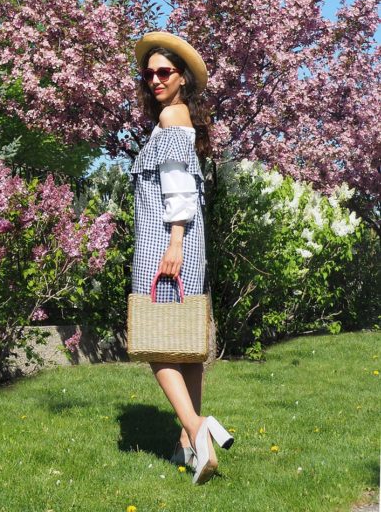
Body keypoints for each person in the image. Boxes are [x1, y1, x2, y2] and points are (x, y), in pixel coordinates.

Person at [130, 30, 234, 485]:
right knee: (186, 346)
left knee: (155, 342)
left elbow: (179, 188)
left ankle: (198, 428)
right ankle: (188, 444)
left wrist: (172, 244)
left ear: (181, 78)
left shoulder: (173, 116)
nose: (155, 79)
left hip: (166, 241)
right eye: (149, 73)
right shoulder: (178, 117)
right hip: (187, 240)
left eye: (164, 72)